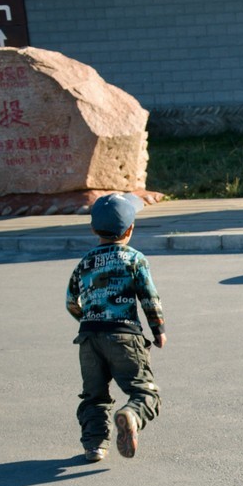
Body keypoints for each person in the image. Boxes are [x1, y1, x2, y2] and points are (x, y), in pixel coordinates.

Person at [66, 193, 166, 462]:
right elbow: (148, 297)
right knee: (144, 392)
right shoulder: (133, 259)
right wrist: (158, 330)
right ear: (130, 229)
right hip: (123, 335)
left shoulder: (84, 262)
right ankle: (131, 415)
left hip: (88, 338)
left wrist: (88, 321)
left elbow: (71, 301)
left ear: (93, 229)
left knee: (94, 395)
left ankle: (95, 445)